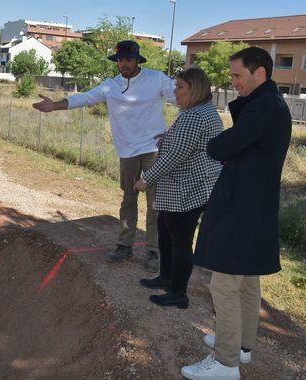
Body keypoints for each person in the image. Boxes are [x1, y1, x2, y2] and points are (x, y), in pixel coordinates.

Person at [180, 47, 292, 380]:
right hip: (254, 206)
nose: (233, 83)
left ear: (260, 73)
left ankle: (226, 362)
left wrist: (218, 142)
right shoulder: (270, 105)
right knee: (247, 281)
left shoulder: (263, 108)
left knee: (224, 285)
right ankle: (242, 346)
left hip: (243, 208)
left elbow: (221, 146)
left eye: (237, 75)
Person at [32, 40, 175, 272]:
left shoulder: (157, 79)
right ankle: (124, 245)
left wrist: (183, 125)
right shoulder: (111, 86)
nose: (124, 64)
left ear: (138, 60)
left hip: (153, 150)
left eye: (128, 59)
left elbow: (182, 98)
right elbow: (84, 98)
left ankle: (153, 251)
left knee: (155, 203)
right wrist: (55, 106)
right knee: (128, 199)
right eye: (120, 60)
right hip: (127, 151)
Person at [134, 67, 223, 309]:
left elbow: (176, 155)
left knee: (181, 242)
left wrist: (146, 179)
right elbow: (185, 145)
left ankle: (178, 293)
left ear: (194, 89)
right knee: (165, 232)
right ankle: (166, 277)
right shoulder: (201, 111)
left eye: (180, 87)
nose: (175, 92)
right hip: (188, 188)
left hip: (186, 190)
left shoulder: (194, 116)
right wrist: (168, 137)